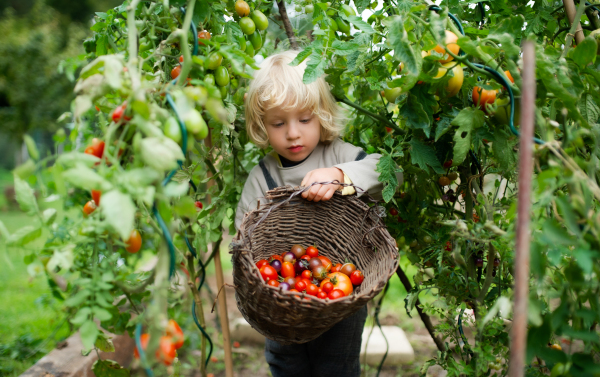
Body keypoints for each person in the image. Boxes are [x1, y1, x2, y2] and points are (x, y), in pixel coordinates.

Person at [234, 50, 392, 377]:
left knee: (337, 366)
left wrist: (339, 174)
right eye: (279, 123)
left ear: (322, 115)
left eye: (305, 120)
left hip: (340, 307)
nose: (293, 133)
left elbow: (390, 172)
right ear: (263, 125)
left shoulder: (339, 153)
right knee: (284, 363)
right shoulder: (261, 178)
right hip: (280, 303)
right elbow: (242, 239)